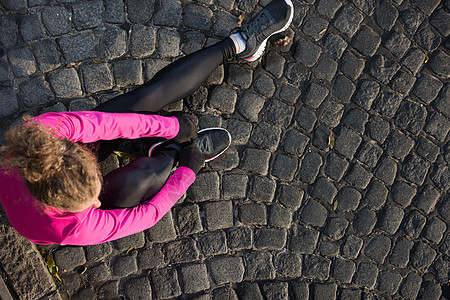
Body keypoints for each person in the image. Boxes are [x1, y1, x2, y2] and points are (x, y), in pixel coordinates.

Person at [0, 0, 294, 246]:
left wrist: (172, 127)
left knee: (147, 98)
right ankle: (173, 153)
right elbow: (148, 215)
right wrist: (189, 170)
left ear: (73, 153)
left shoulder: (42, 133)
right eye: (91, 203)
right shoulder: (74, 229)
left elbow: (109, 124)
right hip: (54, 211)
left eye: (93, 197)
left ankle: (239, 45)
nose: (98, 204)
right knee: (138, 181)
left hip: (57, 174)